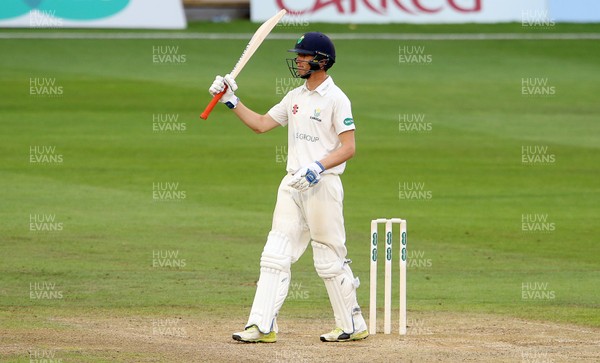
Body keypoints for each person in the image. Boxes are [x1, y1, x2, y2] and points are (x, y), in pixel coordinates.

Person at [208, 32, 368, 343]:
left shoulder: (337, 99)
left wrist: (318, 166)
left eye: (304, 56)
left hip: (323, 185)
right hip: (292, 183)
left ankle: (352, 324)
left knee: (328, 258)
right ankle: (262, 326)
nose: (298, 60)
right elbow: (261, 124)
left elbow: (348, 147)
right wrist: (231, 100)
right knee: (274, 255)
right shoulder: (295, 97)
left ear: (321, 61)